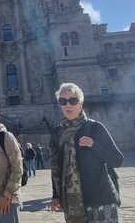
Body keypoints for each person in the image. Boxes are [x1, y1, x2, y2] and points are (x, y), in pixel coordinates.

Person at [50, 83, 123, 223]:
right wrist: (55, 196)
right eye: (63, 101)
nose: (67, 105)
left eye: (73, 100)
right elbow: (56, 167)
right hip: (72, 204)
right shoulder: (57, 133)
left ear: (81, 104)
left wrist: (93, 145)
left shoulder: (94, 128)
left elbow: (117, 160)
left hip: (100, 201)